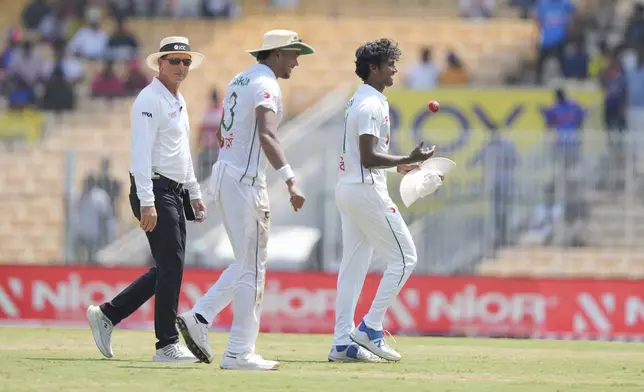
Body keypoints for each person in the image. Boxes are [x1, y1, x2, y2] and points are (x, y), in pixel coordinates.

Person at [175, 30, 314, 370]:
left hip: (225, 173)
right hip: (245, 181)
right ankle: (239, 351)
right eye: (294, 53)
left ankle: (200, 317)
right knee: (253, 265)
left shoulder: (240, 78)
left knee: (245, 262)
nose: (297, 61)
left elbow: (224, 132)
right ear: (277, 53)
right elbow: (267, 134)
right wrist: (290, 180)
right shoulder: (267, 83)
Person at [86, 36, 207, 362]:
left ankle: (108, 314)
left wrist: (193, 193)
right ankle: (166, 344)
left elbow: (182, 154)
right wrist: (147, 200)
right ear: (160, 63)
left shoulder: (176, 100)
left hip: (173, 190)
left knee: (170, 266)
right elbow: (139, 153)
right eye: (175, 61)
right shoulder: (148, 100)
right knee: (172, 266)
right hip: (154, 189)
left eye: (186, 62)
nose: (182, 67)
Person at [330, 38, 435, 362]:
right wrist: (409, 155)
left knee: (353, 268)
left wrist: (398, 166)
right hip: (364, 191)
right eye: (390, 64)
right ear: (373, 68)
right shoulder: (371, 103)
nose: (395, 69)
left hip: (349, 189)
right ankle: (370, 328)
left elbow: (367, 157)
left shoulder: (360, 99)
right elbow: (368, 156)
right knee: (405, 259)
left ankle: (342, 342)